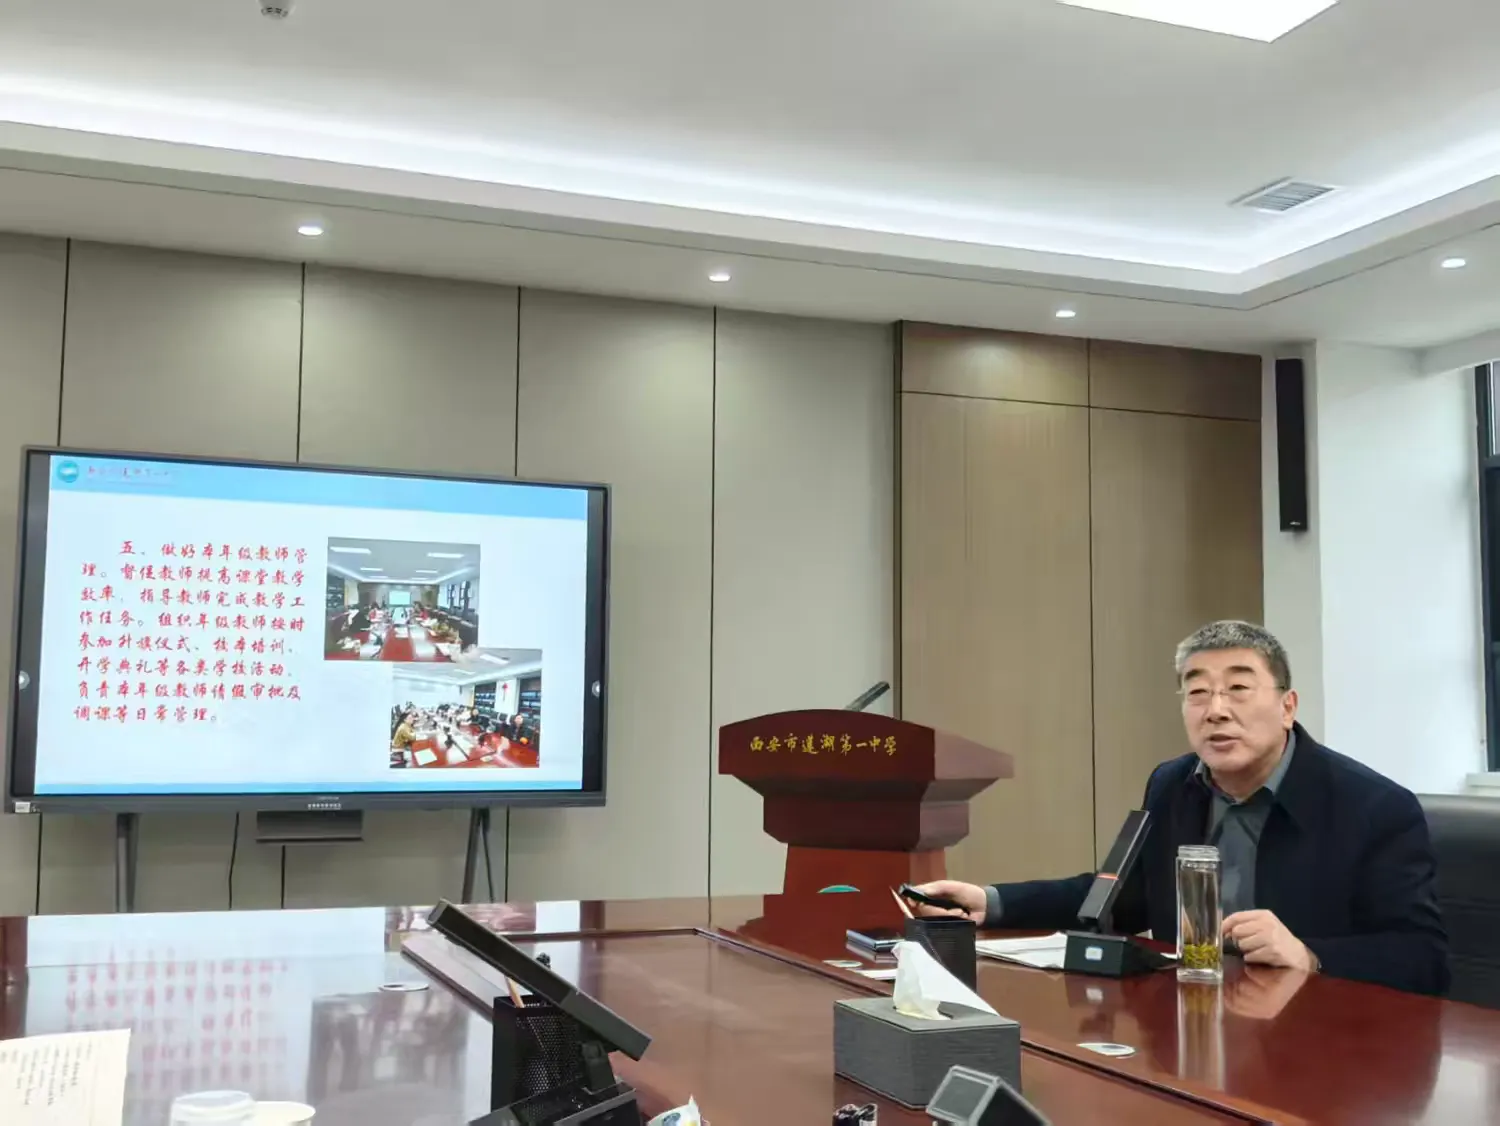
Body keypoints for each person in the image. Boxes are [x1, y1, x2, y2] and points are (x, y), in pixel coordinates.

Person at [912, 620, 1449, 996]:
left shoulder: (1374, 807)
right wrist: (990, 901)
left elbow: (1422, 958)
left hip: (1318, 1039)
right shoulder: (1173, 784)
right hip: (1192, 1021)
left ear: (1288, 706)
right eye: (1198, 693)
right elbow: (1119, 897)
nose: (1216, 710)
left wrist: (1309, 954)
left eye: (1238, 688)